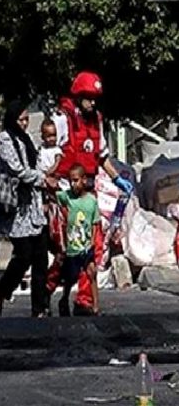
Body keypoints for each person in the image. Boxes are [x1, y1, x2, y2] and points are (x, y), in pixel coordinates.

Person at [49, 71, 133, 316]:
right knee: (66, 250)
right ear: (78, 95)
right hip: (66, 193)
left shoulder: (96, 120)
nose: (92, 103)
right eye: (88, 97)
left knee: (93, 248)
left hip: (88, 195)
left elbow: (102, 155)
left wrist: (117, 179)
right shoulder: (63, 119)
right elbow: (51, 152)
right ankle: (48, 288)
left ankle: (84, 299)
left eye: (95, 98)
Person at [0, 102, 55, 319]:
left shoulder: (27, 140)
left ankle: (40, 306)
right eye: (21, 120)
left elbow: (34, 167)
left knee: (40, 257)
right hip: (17, 206)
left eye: (27, 119)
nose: (25, 124)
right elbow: (17, 169)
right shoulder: (5, 139)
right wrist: (42, 179)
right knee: (23, 256)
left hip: (35, 205)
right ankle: (3, 289)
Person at [57, 165, 100, 316]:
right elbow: (56, 196)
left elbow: (95, 223)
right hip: (72, 246)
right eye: (71, 181)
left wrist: (93, 241)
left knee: (91, 272)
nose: (73, 184)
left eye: (76, 180)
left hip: (86, 245)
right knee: (70, 277)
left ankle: (95, 306)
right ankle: (64, 299)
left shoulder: (91, 201)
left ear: (84, 180)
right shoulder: (67, 197)